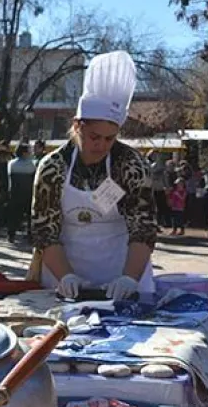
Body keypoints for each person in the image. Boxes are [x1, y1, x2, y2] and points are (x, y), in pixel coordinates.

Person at [29, 51, 157, 300]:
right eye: (94, 137)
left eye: (110, 138)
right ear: (78, 126)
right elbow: (45, 231)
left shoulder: (131, 165)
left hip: (121, 271)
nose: (101, 145)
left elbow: (143, 228)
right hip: (64, 275)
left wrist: (130, 277)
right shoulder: (52, 168)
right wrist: (65, 276)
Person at [7, 143, 36, 242]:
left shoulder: (11, 163)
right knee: (30, 217)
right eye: (29, 151)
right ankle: (30, 235)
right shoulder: (32, 164)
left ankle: (11, 235)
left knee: (14, 216)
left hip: (14, 193)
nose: (30, 153)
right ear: (24, 153)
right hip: (28, 194)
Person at [148, 152, 170, 231]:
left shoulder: (163, 169)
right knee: (154, 208)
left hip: (160, 190)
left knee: (161, 208)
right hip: (153, 190)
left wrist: (167, 187)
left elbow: (165, 179)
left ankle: (160, 223)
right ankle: (154, 224)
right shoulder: (150, 167)